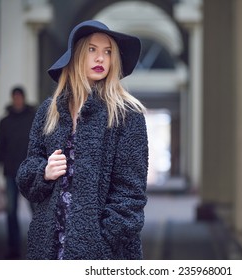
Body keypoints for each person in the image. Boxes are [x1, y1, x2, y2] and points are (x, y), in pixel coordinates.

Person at [16, 20, 148, 260]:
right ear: (75, 55)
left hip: (102, 253)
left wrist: (100, 244)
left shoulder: (127, 115)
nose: (101, 58)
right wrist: (44, 172)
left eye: (108, 52)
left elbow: (131, 196)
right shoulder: (49, 112)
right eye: (92, 49)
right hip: (50, 248)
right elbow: (26, 176)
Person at [0, 86, 36, 259]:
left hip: (31, 172)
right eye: (15, 97)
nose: (17, 100)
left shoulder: (32, 118)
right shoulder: (5, 122)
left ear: (23, 98)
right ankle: (14, 248)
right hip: (10, 173)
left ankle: (40, 244)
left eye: (20, 97)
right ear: (12, 98)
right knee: (11, 212)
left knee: (37, 210)